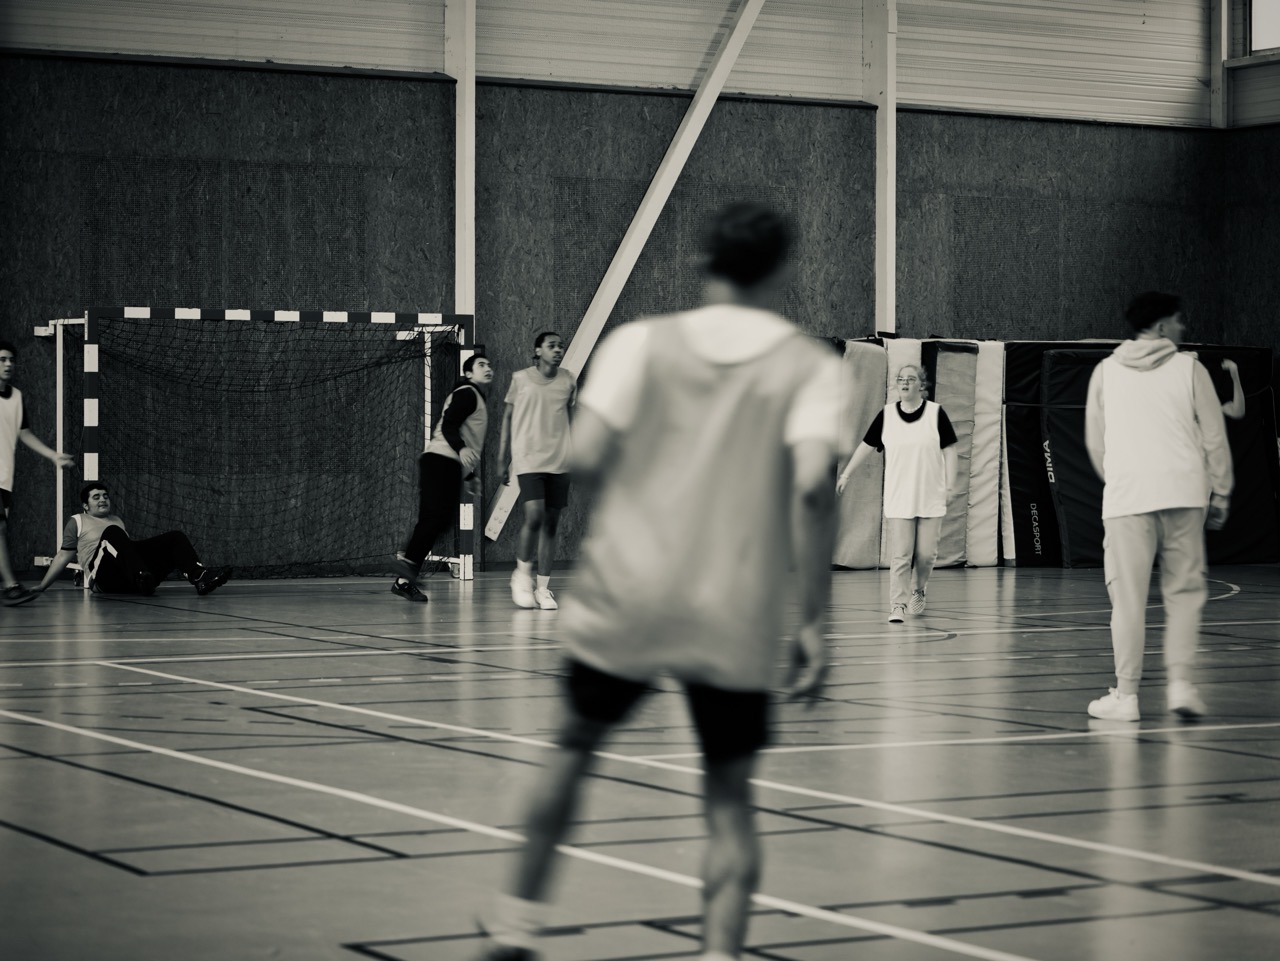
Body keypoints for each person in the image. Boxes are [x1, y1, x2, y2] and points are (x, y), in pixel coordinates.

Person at [473, 203, 842, 961]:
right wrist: (812, 622)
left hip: (628, 591)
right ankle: (719, 954)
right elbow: (811, 492)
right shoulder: (813, 368)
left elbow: (591, 453)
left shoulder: (638, 344)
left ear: (703, 262)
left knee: (571, 749)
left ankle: (516, 924)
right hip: (733, 608)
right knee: (729, 799)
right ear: (781, 269)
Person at [1083, 292, 1233, 722]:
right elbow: (1214, 436)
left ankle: (1126, 696)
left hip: (1128, 498)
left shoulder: (1105, 372)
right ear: (1163, 327)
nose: (1184, 328)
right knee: (1184, 593)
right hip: (1184, 493)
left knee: (1127, 600)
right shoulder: (1191, 369)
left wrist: (1120, 480)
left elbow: (1096, 441)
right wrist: (1220, 491)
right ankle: (1181, 684)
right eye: (1179, 321)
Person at [836, 364, 958, 623]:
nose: (904, 383)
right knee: (901, 554)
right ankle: (897, 606)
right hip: (900, 497)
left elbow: (950, 450)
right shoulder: (887, 416)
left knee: (925, 555)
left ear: (921, 385)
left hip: (931, 497)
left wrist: (949, 485)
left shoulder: (936, 414)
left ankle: (919, 589)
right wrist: (846, 474)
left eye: (910, 379)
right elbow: (866, 446)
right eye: (900, 379)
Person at [391, 354, 494, 601]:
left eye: (489, 365)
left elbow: (469, 440)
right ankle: (406, 561)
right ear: (468, 373)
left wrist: (471, 476)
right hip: (440, 460)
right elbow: (449, 425)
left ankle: (404, 576)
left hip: (446, 464)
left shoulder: (475, 398)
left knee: (439, 521)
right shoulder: (468, 393)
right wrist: (460, 449)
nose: (488, 368)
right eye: (481, 365)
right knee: (435, 519)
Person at [34, 481, 230, 596]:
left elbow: (126, 551)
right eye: (96, 497)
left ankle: (199, 577)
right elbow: (63, 555)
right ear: (85, 505)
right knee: (112, 533)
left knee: (174, 538)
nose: (103, 499)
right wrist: (42, 586)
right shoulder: (78, 520)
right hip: (104, 579)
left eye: (105, 496)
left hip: (129, 577)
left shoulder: (117, 521)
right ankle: (141, 577)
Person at [499, 331, 576, 611]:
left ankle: (543, 588)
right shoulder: (520, 379)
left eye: (560, 346)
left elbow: (570, 417)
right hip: (529, 460)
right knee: (534, 516)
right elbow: (508, 417)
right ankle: (521, 576)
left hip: (560, 461)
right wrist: (501, 457)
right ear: (538, 350)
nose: (558, 350)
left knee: (551, 524)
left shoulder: (568, 380)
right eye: (551, 346)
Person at [1, 338, 75, 606]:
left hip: (5, 478)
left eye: (11, 360)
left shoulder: (17, 396)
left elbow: (24, 434)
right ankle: (10, 584)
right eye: (2, 360)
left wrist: (53, 455)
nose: (8, 364)